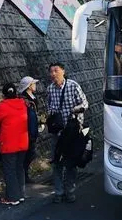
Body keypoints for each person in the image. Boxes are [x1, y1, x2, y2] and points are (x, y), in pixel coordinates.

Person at [47, 62, 89, 203]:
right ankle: (58, 193)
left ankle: (70, 191)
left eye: (56, 70)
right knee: (56, 163)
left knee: (71, 162)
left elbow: (85, 104)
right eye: (51, 71)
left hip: (72, 132)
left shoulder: (73, 85)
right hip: (57, 133)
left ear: (63, 71)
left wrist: (75, 110)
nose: (53, 74)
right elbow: (49, 106)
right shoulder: (50, 89)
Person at [0, 83, 29, 206]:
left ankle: (13, 197)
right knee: (19, 167)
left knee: (10, 170)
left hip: (8, 143)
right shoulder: (22, 104)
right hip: (23, 142)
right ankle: (21, 194)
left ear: (4, 94)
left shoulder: (2, 106)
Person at [18, 76, 40, 184]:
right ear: (29, 86)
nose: (35, 85)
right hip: (26, 129)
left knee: (31, 152)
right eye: (33, 84)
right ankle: (23, 175)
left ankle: (24, 174)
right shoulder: (23, 98)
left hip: (34, 127)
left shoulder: (33, 96)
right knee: (29, 153)